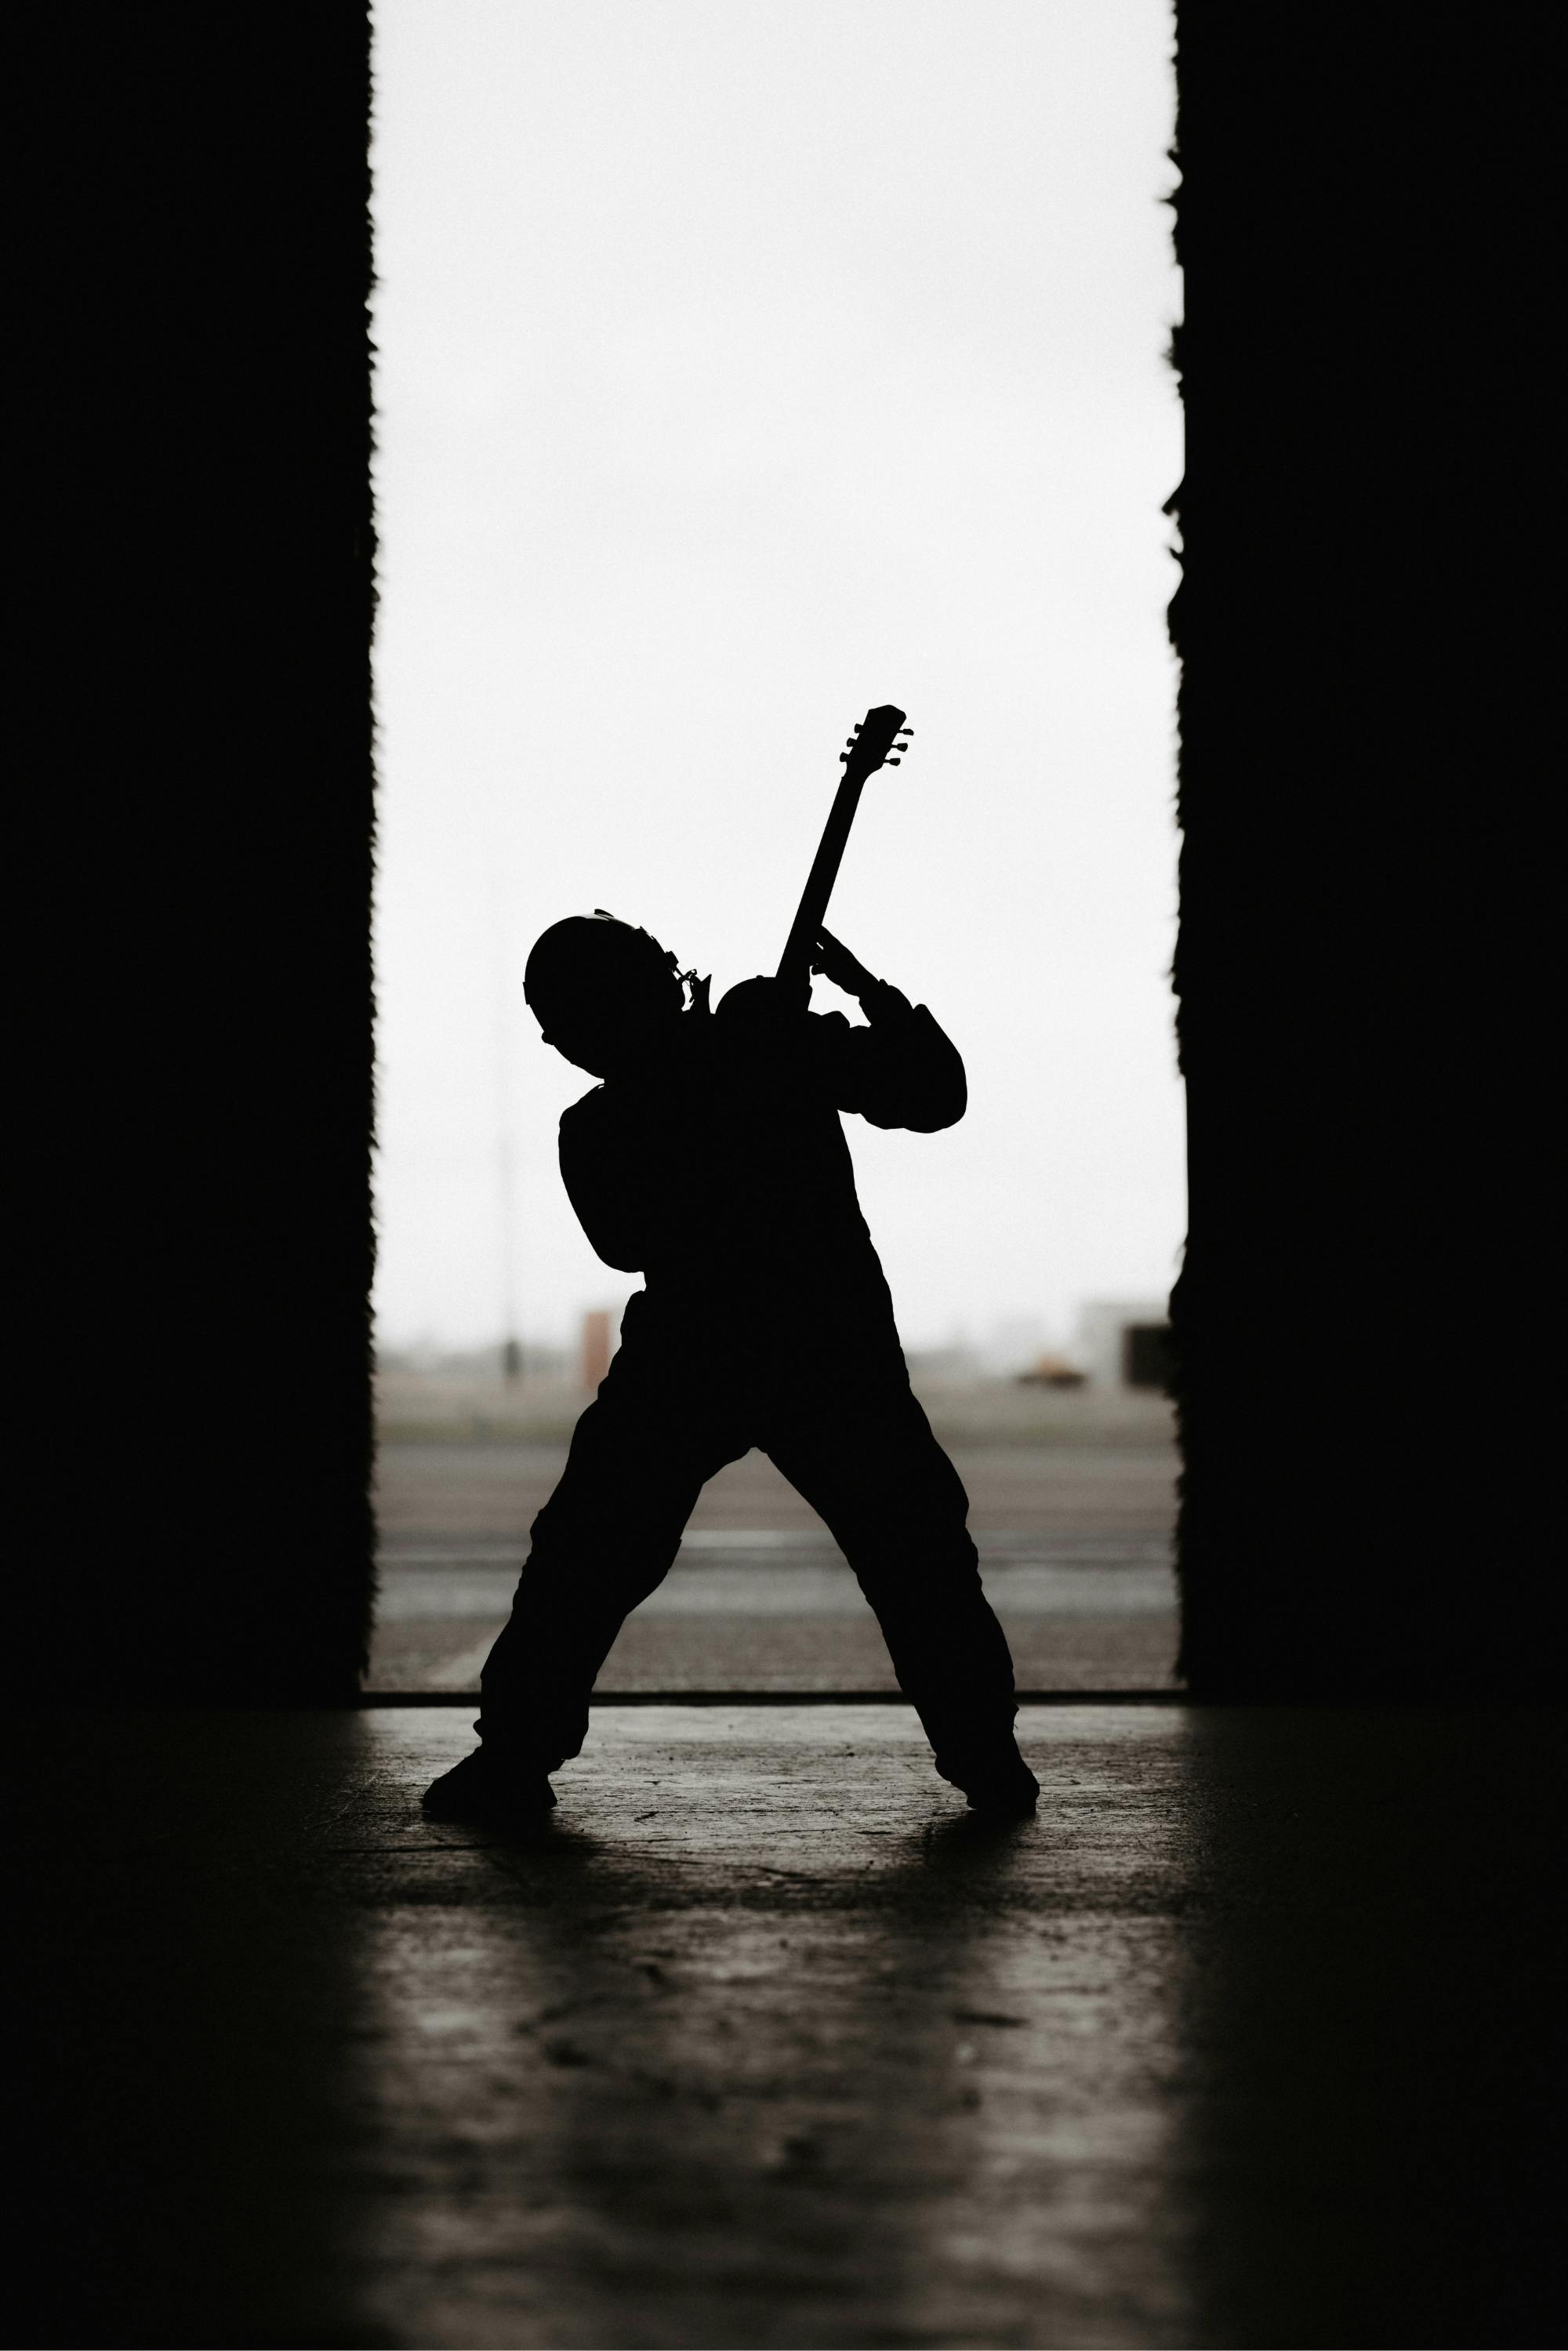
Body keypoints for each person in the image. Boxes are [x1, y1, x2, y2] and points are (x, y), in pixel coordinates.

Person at [423, 911, 1038, 1824]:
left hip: (746, 1349)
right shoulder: (639, 1105)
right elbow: (627, 1238)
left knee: (905, 1554)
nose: (572, 1044)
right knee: (597, 1550)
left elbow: (932, 1096)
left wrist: (845, 1008)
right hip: (771, 1347)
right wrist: (747, 1067)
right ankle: (986, 1755)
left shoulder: (752, 1047)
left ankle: (986, 1752)